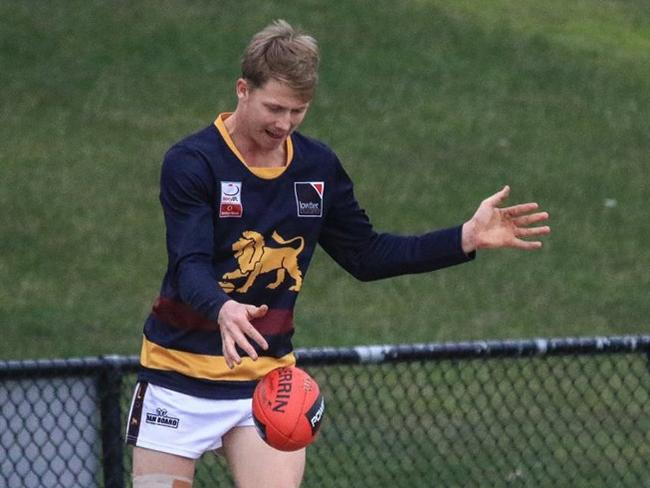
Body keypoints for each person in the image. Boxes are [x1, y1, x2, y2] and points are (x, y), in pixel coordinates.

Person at [125, 19, 550, 488]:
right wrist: (223, 308)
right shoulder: (193, 161)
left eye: (298, 111)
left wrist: (464, 238)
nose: (284, 124)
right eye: (275, 108)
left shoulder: (316, 166)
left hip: (267, 385)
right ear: (242, 89)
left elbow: (366, 255)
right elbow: (189, 264)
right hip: (178, 376)